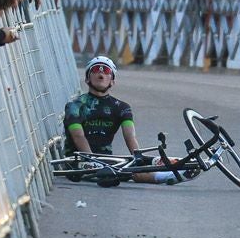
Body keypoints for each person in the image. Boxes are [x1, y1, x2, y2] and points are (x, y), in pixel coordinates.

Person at [63, 56, 179, 186]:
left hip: (108, 161)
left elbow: (130, 137)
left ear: (112, 81)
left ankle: (170, 175)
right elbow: (78, 136)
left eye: (106, 71)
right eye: (95, 69)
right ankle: (164, 177)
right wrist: (92, 160)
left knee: (135, 169)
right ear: (87, 78)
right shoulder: (74, 106)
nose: (101, 73)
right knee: (121, 172)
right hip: (79, 160)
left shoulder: (122, 108)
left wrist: (138, 159)